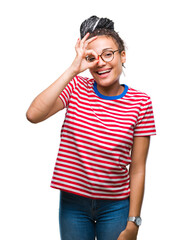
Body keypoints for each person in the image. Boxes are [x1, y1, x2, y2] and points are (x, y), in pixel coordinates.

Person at [26, 15, 156, 240]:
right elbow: (33, 115)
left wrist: (134, 221)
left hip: (116, 206)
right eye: (92, 57)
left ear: (122, 55)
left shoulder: (141, 103)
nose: (101, 62)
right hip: (73, 204)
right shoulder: (76, 86)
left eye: (108, 54)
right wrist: (72, 70)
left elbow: (138, 168)